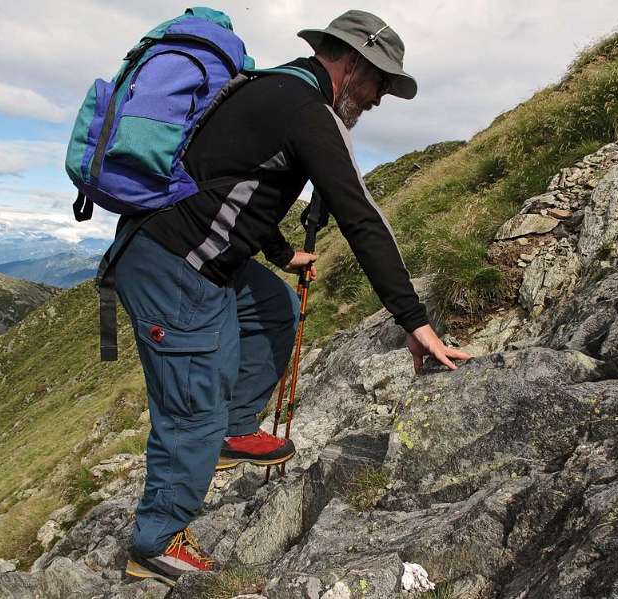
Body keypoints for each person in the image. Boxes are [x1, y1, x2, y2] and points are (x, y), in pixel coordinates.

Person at [120, 9, 471, 586]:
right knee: (193, 406)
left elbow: (233, 183)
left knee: (275, 308)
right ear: (354, 63)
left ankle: (233, 428)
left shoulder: (272, 89)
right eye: (381, 81)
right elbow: (361, 217)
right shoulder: (308, 111)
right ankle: (156, 542)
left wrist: (283, 257)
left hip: (185, 254)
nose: (381, 98)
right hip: (175, 268)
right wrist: (414, 320)